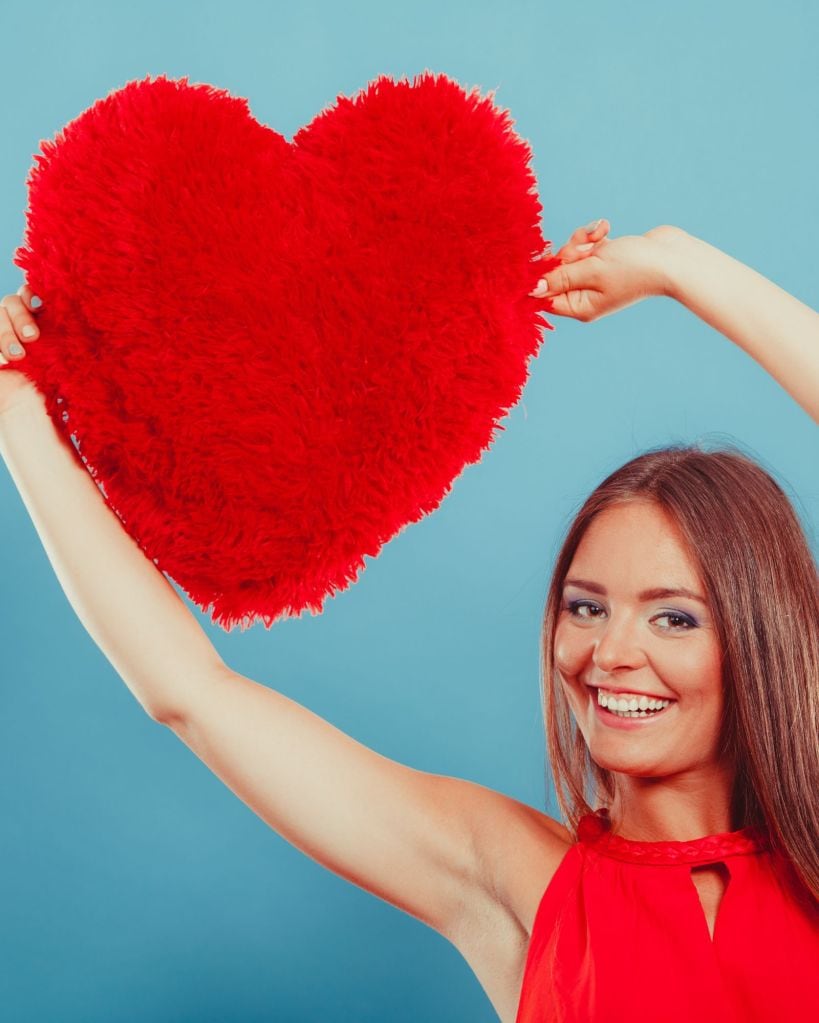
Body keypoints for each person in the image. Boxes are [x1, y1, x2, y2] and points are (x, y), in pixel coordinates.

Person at [0, 220, 817, 1023]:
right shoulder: (513, 872)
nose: (608, 651)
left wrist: (680, 264)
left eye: (673, 618)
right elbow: (192, 692)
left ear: (759, 638)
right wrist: (14, 407)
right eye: (584, 606)